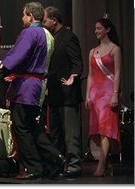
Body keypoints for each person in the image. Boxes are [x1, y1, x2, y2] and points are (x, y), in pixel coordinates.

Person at [0, 2, 65, 180]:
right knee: (33, 126)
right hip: (38, 85)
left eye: (24, 15)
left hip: (27, 86)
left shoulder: (30, 32)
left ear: (31, 16)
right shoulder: (48, 34)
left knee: (20, 126)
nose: (22, 18)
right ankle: (55, 157)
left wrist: (1, 72)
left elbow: (19, 55)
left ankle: (33, 167)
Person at [42, 6, 83, 178]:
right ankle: (58, 165)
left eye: (44, 21)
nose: (43, 24)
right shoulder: (51, 38)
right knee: (56, 134)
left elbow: (77, 62)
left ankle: (74, 165)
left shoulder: (69, 37)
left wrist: (74, 76)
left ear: (54, 20)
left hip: (67, 93)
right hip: (54, 93)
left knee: (70, 133)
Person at [85, 17, 121, 177]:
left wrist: (115, 94)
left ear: (107, 30)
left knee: (106, 129)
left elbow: (118, 72)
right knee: (98, 130)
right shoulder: (93, 51)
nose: (96, 31)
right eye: (95, 29)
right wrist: (87, 95)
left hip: (108, 94)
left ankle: (101, 165)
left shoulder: (115, 49)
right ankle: (106, 163)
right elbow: (91, 75)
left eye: (99, 28)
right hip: (95, 94)